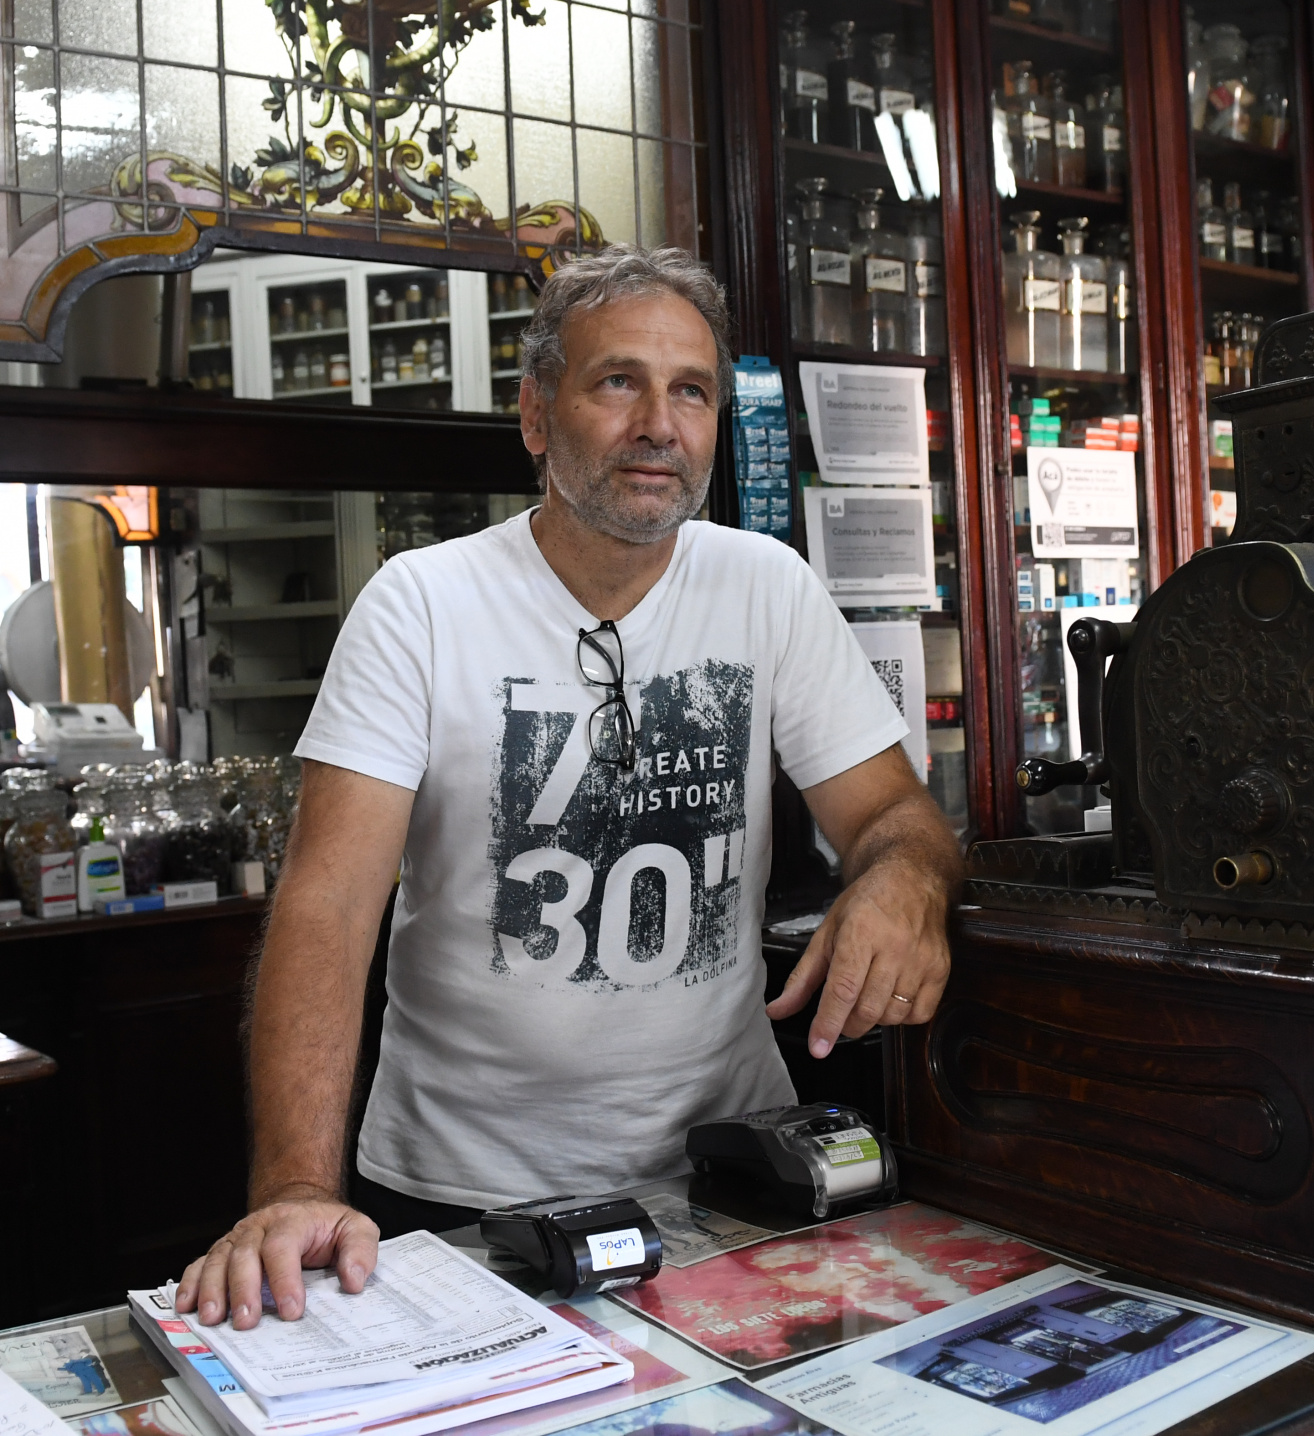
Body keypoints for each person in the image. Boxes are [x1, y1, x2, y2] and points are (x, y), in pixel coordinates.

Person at [175, 245, 962, 1329]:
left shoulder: (767, 587)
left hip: (727, 1172)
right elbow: (327, 905)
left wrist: (903, 878)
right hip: (459, 1190)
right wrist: (296, 1188)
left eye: (691, 390)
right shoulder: (422, 603)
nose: (660, 423)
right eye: (617, 381)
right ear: (536, 416)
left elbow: (894, 816)